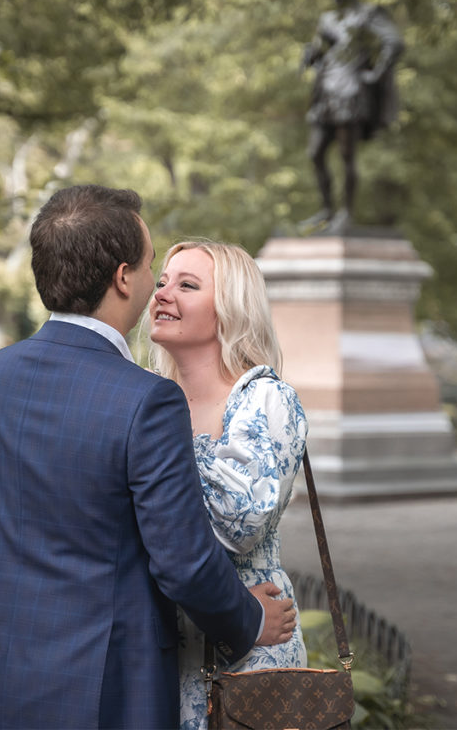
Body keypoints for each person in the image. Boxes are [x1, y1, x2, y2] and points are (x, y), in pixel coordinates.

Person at [0, 185, 296, 730]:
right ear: (123, 277)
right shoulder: (145, 398)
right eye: (151, 266)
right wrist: (250, 620)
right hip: (102, 690)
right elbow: (182, 561)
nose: (157, 286)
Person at [148, 240, 309, 730]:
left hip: (247, 647)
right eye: (161, 282)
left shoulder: (264, 399)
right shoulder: (148, 398)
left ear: (230, 310)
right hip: (157, 646)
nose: (162, 293)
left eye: (187, 285)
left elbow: (235, 523)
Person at [300, 0, 404, 234]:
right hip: (326, 91)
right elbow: (318, 50)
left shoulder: (368, 14)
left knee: (347, 154)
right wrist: (309, 56)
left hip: (351, 90)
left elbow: (394, 41)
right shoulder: (327, 20)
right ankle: (326, 209)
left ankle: (346, 212)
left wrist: (377, 73)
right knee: (315, 152)